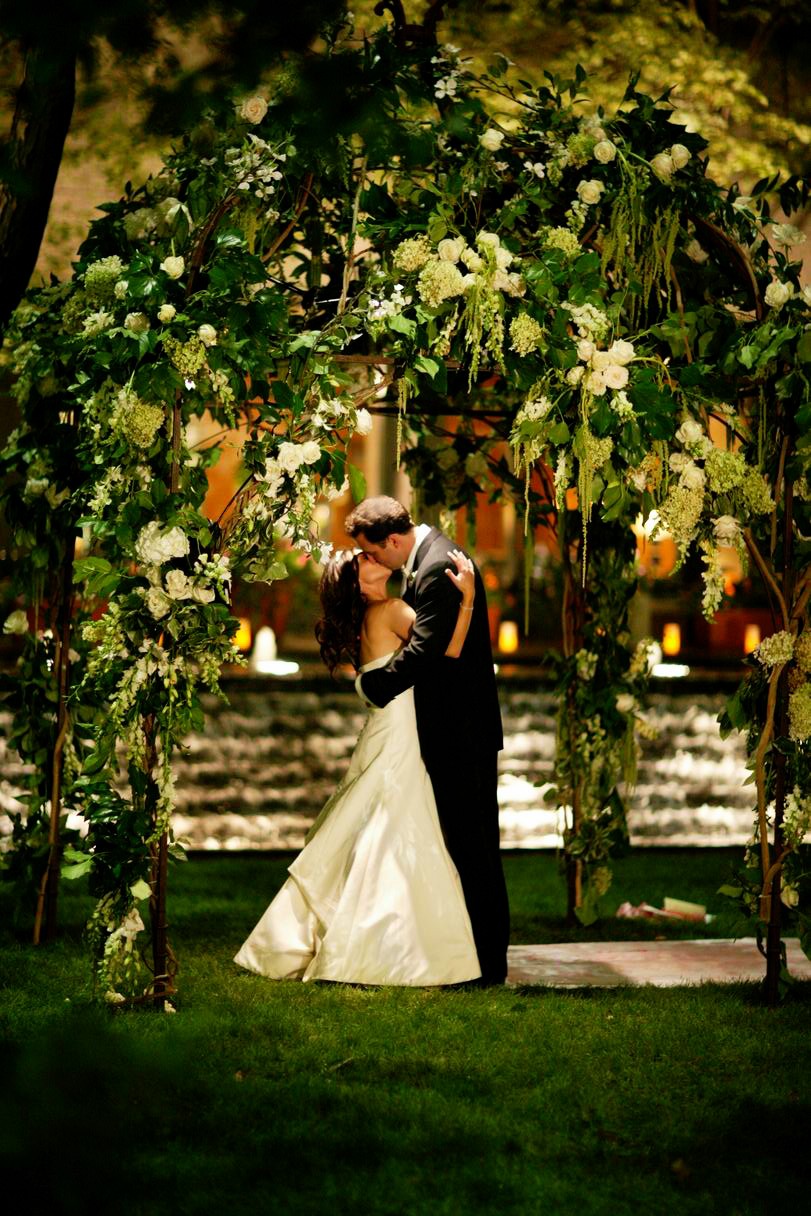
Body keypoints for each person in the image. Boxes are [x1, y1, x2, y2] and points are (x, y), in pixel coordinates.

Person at [234, 546, 482, 986]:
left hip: (387, 727)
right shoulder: (390, 610)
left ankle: (374, 941)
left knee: (379, 825)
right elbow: (449, 652)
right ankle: (385, 950)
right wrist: (466, 599)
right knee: (392, 827)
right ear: (358, 578)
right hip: (398, 732)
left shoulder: (372, 615)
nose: (374, 556)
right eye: (365, 557)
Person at [345, 496, 509, 985]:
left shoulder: (437, 569)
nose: (372, 562)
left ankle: (488, 964)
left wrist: (372, 686)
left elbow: (424, 654)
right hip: (455, 731)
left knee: (473, 848)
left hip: (460, 734)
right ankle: (476, 956)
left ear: (393, 541)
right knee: (464, 845)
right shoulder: (429, 562)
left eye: (373, 553)